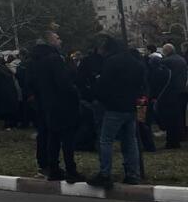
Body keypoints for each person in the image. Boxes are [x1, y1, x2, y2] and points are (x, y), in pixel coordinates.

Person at [87, 36, 145, 189]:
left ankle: (105, 174)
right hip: (130, 107)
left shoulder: (111, 62)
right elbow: (142, 83)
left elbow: (103, 85)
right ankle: (133, 174)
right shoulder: (135, 62)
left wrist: (100, 98)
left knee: (106, 140)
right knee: (130, 141)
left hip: (113, 108)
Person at [27, 31, 85, 182]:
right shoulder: (55, 59)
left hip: (47, 104)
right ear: (50, 41)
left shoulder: (36, 60)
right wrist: (74, 91)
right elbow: (63, 83)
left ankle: (53, 168)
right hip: (63, 105)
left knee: (52, 137)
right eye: (57, 38)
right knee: (67, 139)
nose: (60, 40)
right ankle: (71, 170)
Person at [158, 43, 187, 149]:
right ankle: (180, 137)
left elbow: (161, 77)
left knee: (170, 117)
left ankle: (172, 141)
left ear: (166, 51)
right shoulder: (181, 59)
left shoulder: (166, 61)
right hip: (181, 91)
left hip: (170, 92)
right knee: (179, 116)